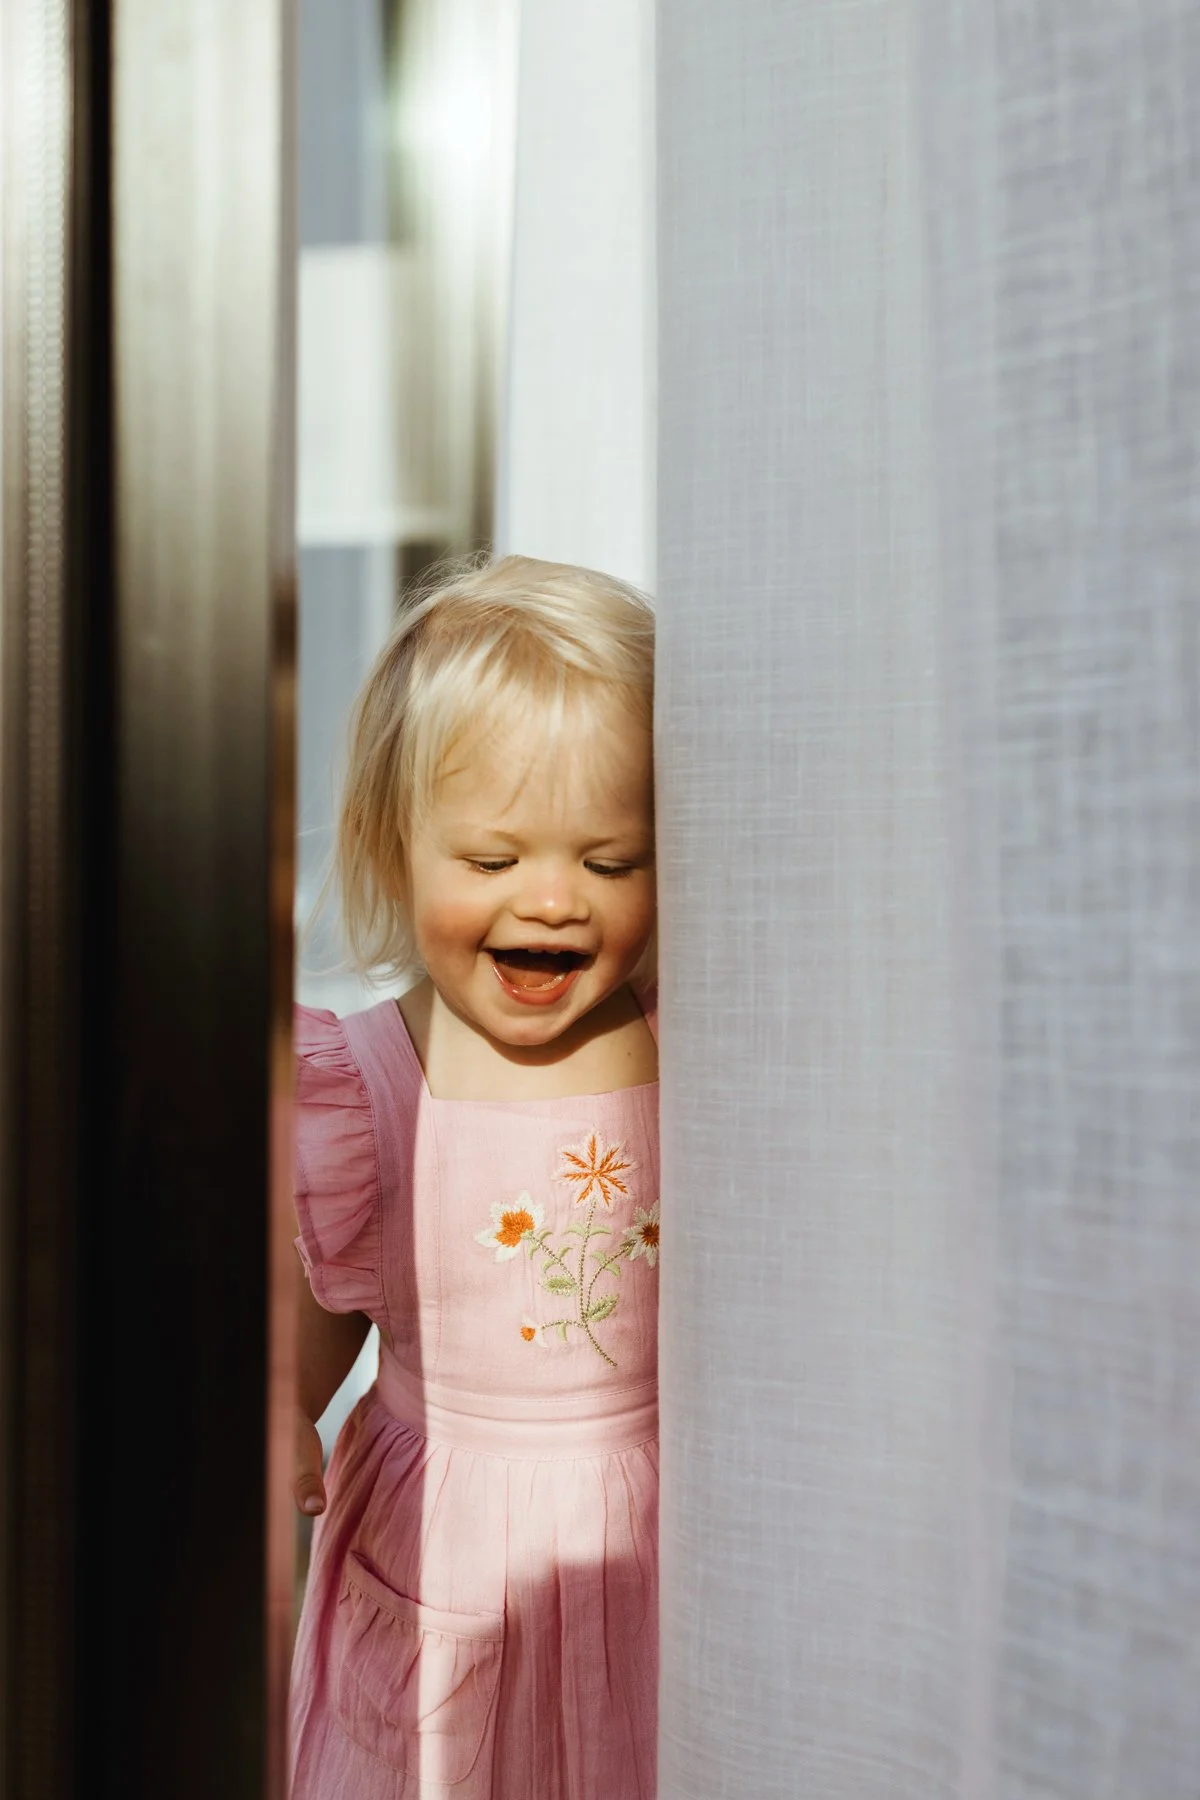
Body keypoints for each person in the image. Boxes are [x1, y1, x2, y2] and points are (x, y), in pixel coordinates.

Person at [289, 555, 660, 1799]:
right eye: (494, 862)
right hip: (440, 1565)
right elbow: (322, 1319)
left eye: (611, 862)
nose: (553, 900)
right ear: (395, 849)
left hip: (652, 1555)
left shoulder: (696, 1053)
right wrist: (279, 1404)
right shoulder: (374, 1086)